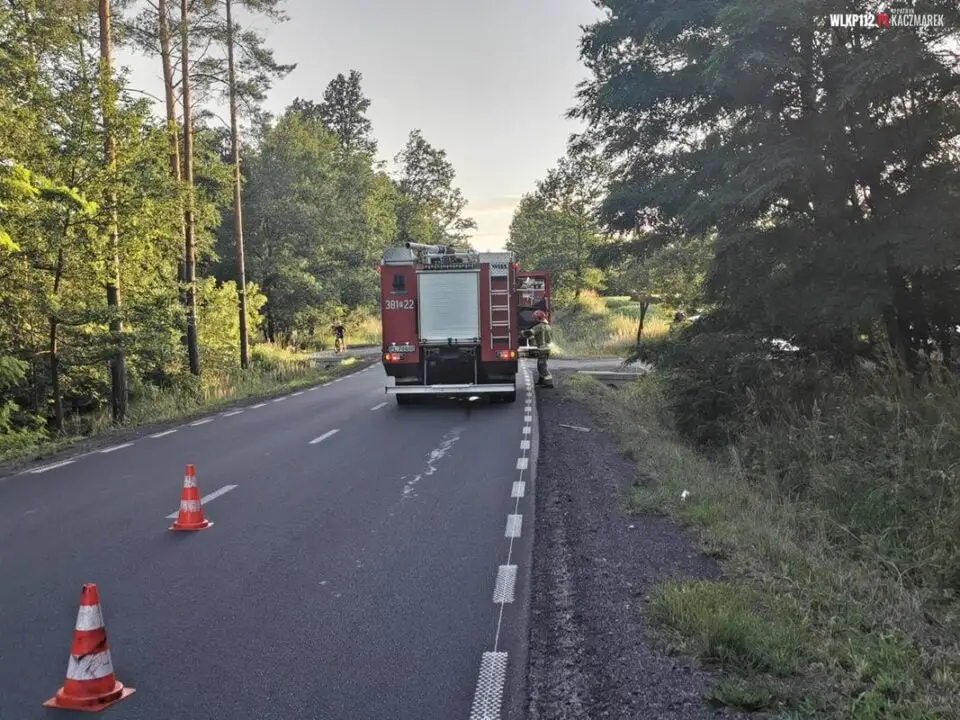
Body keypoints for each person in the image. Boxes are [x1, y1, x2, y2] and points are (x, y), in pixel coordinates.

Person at [523, 310, 554, 388]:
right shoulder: (548, 326)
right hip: (547, 348)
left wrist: (522, 332)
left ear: (538, 318)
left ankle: (549, 383)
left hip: (542, 349)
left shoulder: (539, 326)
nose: (534, 320)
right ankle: (541, 381)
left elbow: (530, 332)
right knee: (540, 366)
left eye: (535, 318)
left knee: (542, 367)